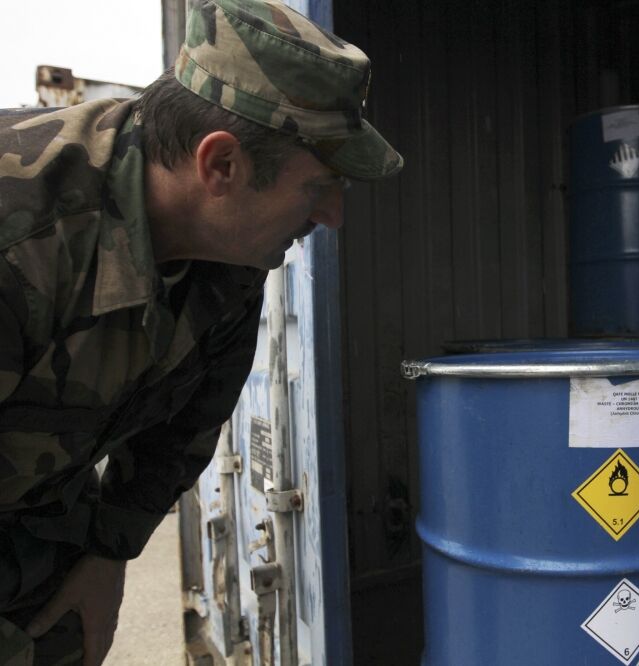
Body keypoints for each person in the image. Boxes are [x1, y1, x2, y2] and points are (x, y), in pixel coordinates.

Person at [0, 0, 402, 663]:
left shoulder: (231, 257)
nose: (332, 216)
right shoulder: (23, 245)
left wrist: (110, 552)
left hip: (43, 535)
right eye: (319, 187)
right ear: (220, 165)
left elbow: (185, 426)